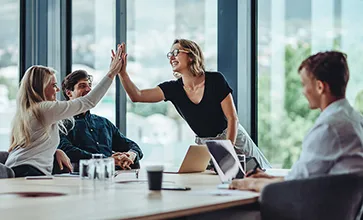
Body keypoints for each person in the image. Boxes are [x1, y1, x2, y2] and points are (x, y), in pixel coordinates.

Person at [115, 39, 271, 168]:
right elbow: (137, 95)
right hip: (205, 146)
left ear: (191, 56)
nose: (171, 57)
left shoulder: (215, 80)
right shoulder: (173, 89)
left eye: (176, 52)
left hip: (232, 138)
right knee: (214, 187)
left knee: (259, 175)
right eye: (170, 54)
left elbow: (232, 119)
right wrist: (123, 73)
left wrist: (225, 151)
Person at [230, 51, 363, 192]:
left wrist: (248, 184)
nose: (303, 91)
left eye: (304, 84)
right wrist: (267, 178)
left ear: (320, 87)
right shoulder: (354, 119)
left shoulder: (330, 127)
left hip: (319, 210)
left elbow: (296, 185)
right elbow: (304, 177)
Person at [5, 44, 124, 177]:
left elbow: (33, 146)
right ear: (41, 87)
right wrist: (112, 73)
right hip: (27, 172)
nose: (57, 90)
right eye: (53, 85)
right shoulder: (43, 109)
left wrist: (56, 151)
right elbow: (89, 102)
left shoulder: (29, 111)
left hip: (20, 170)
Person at [58, 69, 143, 170]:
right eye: (82, 86)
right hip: (81, 178)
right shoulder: (62, 124)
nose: (89, 89)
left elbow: (132, 146)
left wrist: (131, 155)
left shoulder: (103, 123)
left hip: (113, 177)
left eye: (89, 85)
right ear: (69, 93)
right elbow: (67, 150)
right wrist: (106, 160)